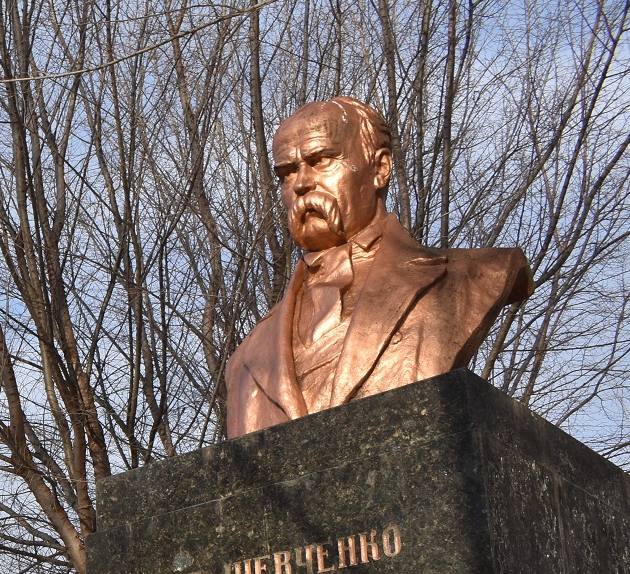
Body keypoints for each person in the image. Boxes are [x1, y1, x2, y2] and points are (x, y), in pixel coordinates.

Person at [225, 96, 531, 439]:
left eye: (321, 160)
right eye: (287, 172)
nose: (301, 184)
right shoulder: (246, 359)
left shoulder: (472, 276)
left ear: (380, 168)